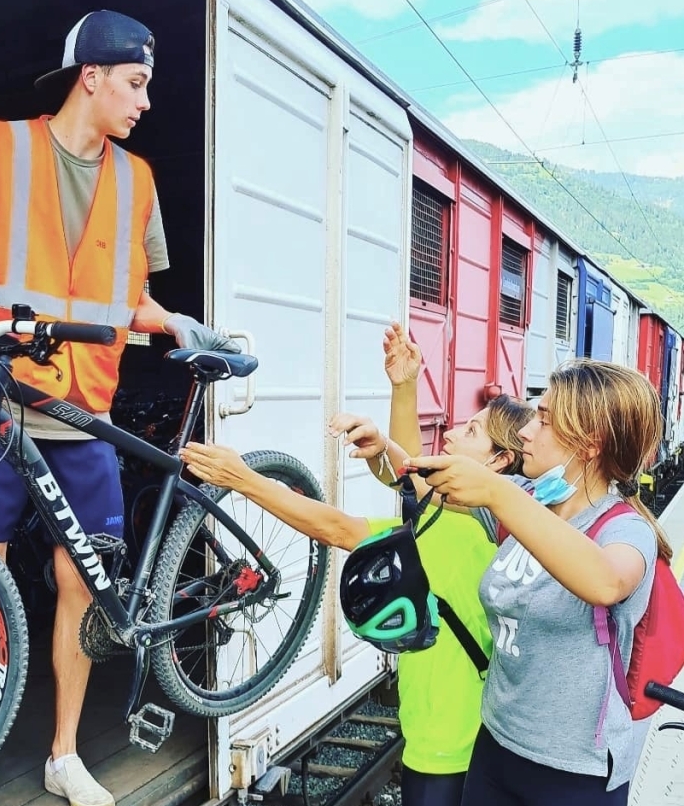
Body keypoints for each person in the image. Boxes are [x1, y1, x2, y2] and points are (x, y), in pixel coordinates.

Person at [0, 9, 236, 806]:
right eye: (134, 84)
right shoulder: (1, 147)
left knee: (81, 584)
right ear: (90, 78)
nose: (144, 102)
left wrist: (170, 319)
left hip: (83, 413)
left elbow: (125, 296)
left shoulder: (138, 180)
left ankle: (65, 756)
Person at [181, 324, 533, 806]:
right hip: (459, 730)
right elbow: (411, 484)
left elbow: (338, 529)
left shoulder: (461, 532)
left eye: (471, 432)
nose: (451, 432)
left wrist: (244, 480)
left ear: (499, 462)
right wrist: (403, 390)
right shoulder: (481, 518)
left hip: (446, 746)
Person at [403, 358, 671, 806]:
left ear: (589, 444)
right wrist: (400, 398)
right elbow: (420, 484)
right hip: (496, 748)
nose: (527, 430)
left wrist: (498, 491)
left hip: (574, 775)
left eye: (543, 420)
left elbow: (605, 582)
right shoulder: (528, 502)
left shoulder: (625, 531)